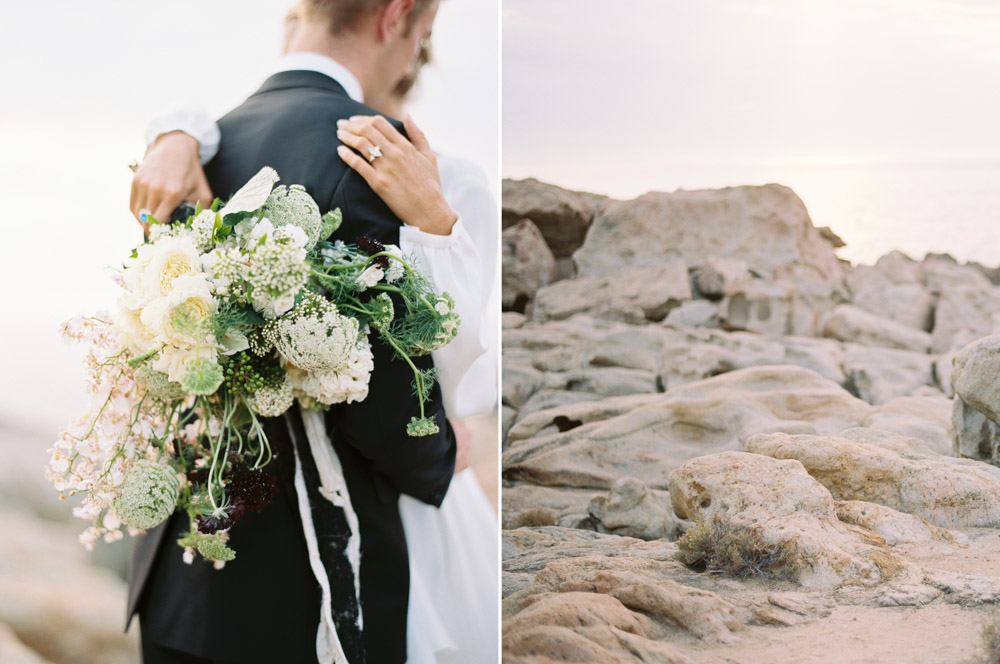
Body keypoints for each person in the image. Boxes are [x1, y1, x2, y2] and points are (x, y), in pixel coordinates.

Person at [132, 7, 499, 663]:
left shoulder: (191, 151)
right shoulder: (383, 158)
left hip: (178, 577)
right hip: (299, 595)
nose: (417, 50)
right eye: (423, 31)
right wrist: (439, 449)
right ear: (396, 16)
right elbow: (385, 391)